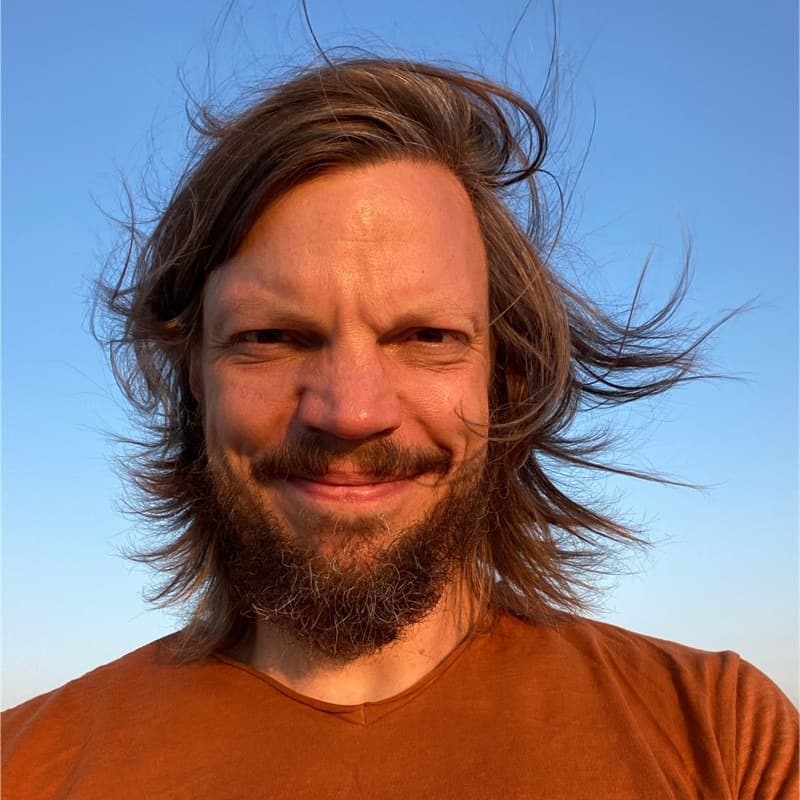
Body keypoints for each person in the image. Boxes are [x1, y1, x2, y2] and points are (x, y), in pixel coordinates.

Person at [2, 56, 797, 799]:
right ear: (193, 378)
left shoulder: (721, 740)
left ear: (504, 378)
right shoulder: (28, 765)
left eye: (427, 336)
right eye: (270, 337)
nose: (351, 412)